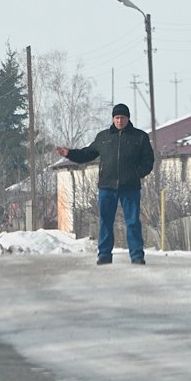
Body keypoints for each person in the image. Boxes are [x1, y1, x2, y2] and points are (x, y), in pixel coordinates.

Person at [56, 103, 154, 265]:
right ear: (113, 119)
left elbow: (148, 160)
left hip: (130, 187)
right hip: (107, 187)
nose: (120, 121)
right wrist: (70, 153)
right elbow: (87, 154)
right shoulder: (103, 137)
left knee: (133, 222)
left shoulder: (140, 137)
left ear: (128, 118)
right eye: (117, 118)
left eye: (122, 117)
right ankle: (104, 255)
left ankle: (137, 256)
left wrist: (137, 174)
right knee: (105, 221)